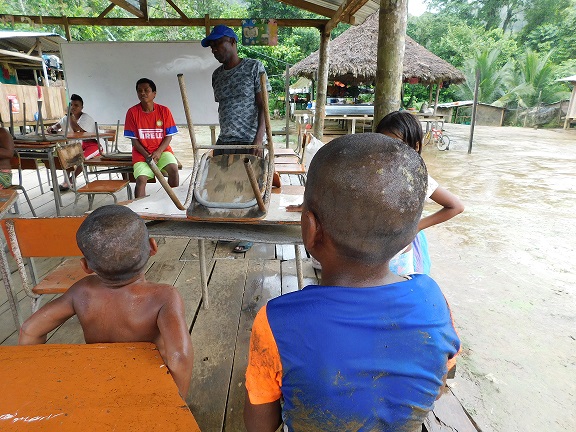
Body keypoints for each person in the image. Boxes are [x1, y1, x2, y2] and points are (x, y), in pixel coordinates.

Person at [244, 134, 460, 432]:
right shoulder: (434, 301)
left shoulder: (276, 321)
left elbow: (260, 426)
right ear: (409, 237)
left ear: (309, 230)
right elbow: (438, 384)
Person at [18, 205, 194, 398]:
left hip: (96, 382)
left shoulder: (81, 291)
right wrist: (177, 404)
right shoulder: (164, 297)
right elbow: (180, 357)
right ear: (153, 247)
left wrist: (35, 378)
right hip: (146, 384)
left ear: (85, 266)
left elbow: (29, 330)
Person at [202, 24, 271, 253]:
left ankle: (247, 232)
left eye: (218, 44)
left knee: (250, 188)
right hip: (226, 139)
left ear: (232, 42)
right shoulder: (217, 76)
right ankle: (229, 228)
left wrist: (259, 139)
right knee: (224, 186)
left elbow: (264, 107)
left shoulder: (254, 67)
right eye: (211, 47)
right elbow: (225, 107)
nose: (214, 50)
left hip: (250, 139)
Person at [376, 110, 465, 275]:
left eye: (396, 145)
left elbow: (456, 206)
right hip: (373, 253)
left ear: (415, 146)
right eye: (382, 144)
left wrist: (416, 227)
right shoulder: (374, 174)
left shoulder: (418, 178)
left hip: (400, 256)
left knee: (401, 292)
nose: (388, 151)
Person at [124, 78, 179, 198]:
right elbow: (134, 141)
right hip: (141, 153)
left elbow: (168, 136)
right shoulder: (132, 112)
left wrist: (158, 152)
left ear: (154, 93)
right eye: (139, 91)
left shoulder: (164, 111)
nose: (142, 93)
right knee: (141, 180)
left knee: (174, 170)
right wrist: (147, 156)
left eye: (146, 90)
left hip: (162, 151)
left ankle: (173, 201)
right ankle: (140, 210)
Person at [48, 94, 102, 192]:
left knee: (80, 159)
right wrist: (51, 128)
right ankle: (66, 182)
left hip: (94, 146)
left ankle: (71, 180)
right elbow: (57, 125)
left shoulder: (86, 118)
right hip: (79, 146)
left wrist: (70, 116)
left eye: (76, 105)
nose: (73, 107)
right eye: (72, 105)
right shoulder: (66, 118)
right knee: (66, 156)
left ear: (82, 107)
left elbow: (77, 129)